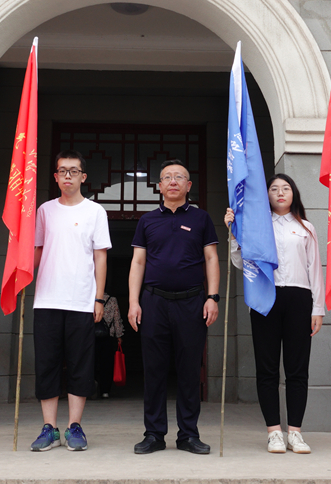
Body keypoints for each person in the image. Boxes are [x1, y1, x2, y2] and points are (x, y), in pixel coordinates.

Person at [224, 174, 323, 454]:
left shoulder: (306, 228)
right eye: (274, 188)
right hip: (265, 296)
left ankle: (295, 432)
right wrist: (235, 233)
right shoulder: (257, 225)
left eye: (286, 188)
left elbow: (315, 268)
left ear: (294, 194)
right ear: (266, 195)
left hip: (299, 298)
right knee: (266, 368)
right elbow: (241, 262)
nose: (280, 193)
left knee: (297, 369)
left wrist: (318, 308)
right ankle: (274, 432)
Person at [128, 159, 220, 455]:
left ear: (188, 185)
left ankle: (188, 435)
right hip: (153, 302)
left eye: (179, 177)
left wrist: (213, 297)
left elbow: (211, 259)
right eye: (167, 177)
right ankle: (154, 434)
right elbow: (138, 262)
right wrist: (133, 302)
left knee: (189, 370)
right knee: (154, 370)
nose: (173, 181)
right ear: (159, 186)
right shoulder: (147, 221)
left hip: (192, 302)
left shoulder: (201, 218)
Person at [30, 150, 111, 452]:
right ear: (55, 176)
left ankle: (74, 426)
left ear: (83, 177)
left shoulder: (95, 212)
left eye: (73, 171)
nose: (67, 176)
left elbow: (100, 257)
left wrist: (98, 298)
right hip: (47, 300)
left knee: (80, 365)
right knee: (47, 364)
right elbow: (37, 252)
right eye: (62, 171)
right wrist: (20, 265)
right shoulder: (45, 211)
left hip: (81, 301)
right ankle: (49, 428)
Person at [94, 294, 124, 399]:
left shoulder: (90, 298)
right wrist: (119, 335)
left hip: (91, 336)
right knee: (106, 364)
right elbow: (117, 319)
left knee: (92, 363)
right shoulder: (112, 300)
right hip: (108, 336)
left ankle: (92, 387)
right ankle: (105, 390)